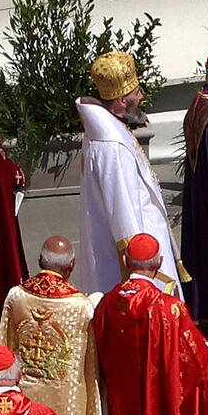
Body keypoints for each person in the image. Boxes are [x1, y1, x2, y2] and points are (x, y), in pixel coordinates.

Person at [75, 51, 173, 295]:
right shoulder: (111, 145)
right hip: (137, 260)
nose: (141, 96)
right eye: (136, 92)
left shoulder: (107, 129)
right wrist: (140, 272)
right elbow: (124, 213)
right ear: (120, 101)